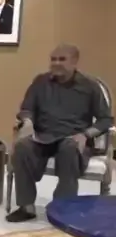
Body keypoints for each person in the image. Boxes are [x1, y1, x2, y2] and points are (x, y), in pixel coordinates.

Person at [7, 45, 113, 223]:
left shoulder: (90, 86)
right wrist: (28, 122)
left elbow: (105, 120)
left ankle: (63, 207)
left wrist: (86, 134)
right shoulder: (40, 82)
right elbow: (26, 109)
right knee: (22, 146)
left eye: (62, 59)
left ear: (74, 62)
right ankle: (26, 207)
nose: (56, 63)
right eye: (53, 59)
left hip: (73, 137)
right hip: (42, 136)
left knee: (69, 148)